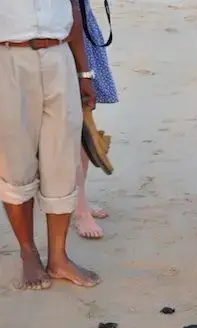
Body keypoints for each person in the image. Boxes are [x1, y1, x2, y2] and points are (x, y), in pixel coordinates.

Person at [0, 0, 102, 289]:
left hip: (59, 56)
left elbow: (74, 12)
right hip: (7, 59)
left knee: (63, 160)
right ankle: (28, 253)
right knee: (14, 162)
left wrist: (84, 74)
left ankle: (58, 258)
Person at [74, 0, 119, 239]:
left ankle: (79, 203)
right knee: (78, 130)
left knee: (83, 127)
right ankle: (79, 207)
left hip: (77, 27)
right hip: (62, 33)